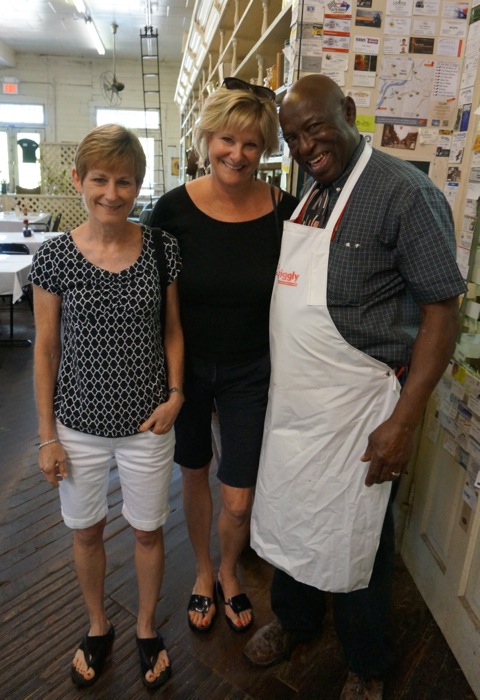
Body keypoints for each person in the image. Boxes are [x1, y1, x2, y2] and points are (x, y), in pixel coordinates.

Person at [244, 75, 466, 699]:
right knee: (293, 518)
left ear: (348, 111)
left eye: (315, 127)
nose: (306, 145)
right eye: (292, 137)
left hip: (361, 408)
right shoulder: (312, 192)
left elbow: (442, 314)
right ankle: (295, 620)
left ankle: (367, 662)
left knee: (357, 536)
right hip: (298, 405)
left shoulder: (404, 194)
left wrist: (404, 421)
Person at [30, 124, 184, 690]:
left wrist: (175, 394)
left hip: (149, 421)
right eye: (100, 179)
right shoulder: (55, 259)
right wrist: (47, 437)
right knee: (87, 530)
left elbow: (172, 330)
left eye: (125, 181)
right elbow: (45, 350)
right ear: (79, 180)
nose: (112, 193)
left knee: (148, 530)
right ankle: (98, 625)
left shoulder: (163, 249)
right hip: (78, 428)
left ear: (139, 186)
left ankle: (145, 626)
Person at [149, 79, 298, 635]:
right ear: (206, 138)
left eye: (252, 144)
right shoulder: (171, 211)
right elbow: (149, 298)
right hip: (185, 370)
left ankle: (231, 570)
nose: (237, 155)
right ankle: (203, 570)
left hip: (253, 370)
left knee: (238, 496)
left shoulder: (287, 211)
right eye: (226, 140)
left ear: (266, 150)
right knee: (193, 473)